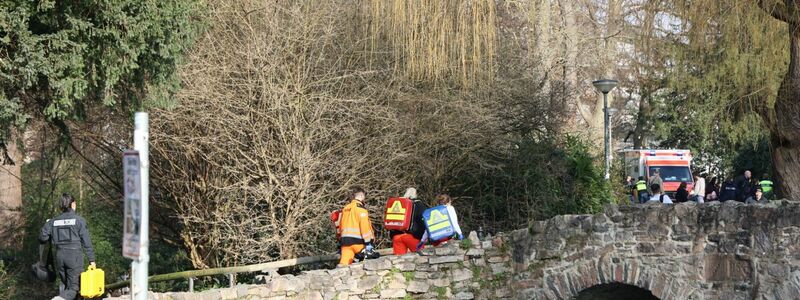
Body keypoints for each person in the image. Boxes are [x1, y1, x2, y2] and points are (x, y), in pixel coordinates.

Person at [39, 194, 96, 300]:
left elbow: (42, 238)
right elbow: (86, 242)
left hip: (60, 257)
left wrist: (48, 226)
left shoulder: (53, 221)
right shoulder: (79, 220)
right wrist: (92, 260)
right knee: (74, 288)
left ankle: (62, 297)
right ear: (73, 204)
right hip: (74, 257)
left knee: (66, 285)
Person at [337, 186, 375, 266]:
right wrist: (368, 243)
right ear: (361, 196)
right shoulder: (361, 209)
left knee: (343, 266)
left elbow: (340, 225)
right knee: (371, 262)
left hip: (345, 243)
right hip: (359, 243)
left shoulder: (345, 208)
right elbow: (364, 227)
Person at [390, 188, 428, 255]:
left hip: (397, 236)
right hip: (412, 236)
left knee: (398, 261)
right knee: (421, 258)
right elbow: (423, 221)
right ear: (416, 194)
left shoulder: (398, 203)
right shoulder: (419, 204)